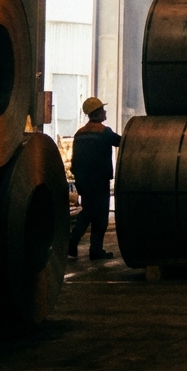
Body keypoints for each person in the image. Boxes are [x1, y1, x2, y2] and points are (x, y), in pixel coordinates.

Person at [68, 97, 122, 260]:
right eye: (102, 110)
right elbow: (121, 142)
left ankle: (74, 244)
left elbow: (75, 160)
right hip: (99, 181)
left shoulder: (80, 134)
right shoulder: (104, 132)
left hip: (84, 181)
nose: (105, 112)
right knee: (99, 216)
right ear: (97, 113)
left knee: (88, 212)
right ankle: (93, 249)